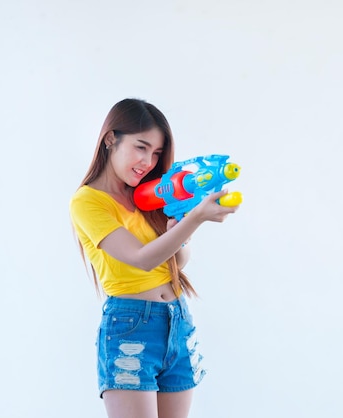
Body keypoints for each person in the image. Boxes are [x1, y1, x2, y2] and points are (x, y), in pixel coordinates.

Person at [69, 98, 238, 418]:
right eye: (141, 147)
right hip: (130, 327)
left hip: (177, 322)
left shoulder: (147, 194)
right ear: (110, 139)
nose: (148, 161)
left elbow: (178, 260)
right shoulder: (87, 201)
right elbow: (141, 259)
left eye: (157, 153)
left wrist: (181, 223)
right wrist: (196, 218)